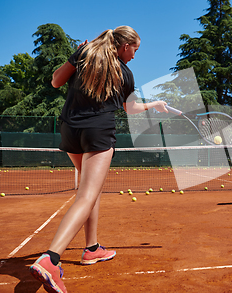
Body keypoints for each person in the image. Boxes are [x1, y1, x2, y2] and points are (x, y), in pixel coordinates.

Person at [29, 26, 169, 293]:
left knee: (89, 190)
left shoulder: (83, 54)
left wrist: (155, 103)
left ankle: (92, 248)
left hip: (70, 129)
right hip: (98, 132)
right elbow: (131, 109)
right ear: (125, 46)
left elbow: (56, 81)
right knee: (86, 194)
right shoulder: (124, 72)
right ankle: (51, 259)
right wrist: (152, 105)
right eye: (135, 50)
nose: (135, 56)